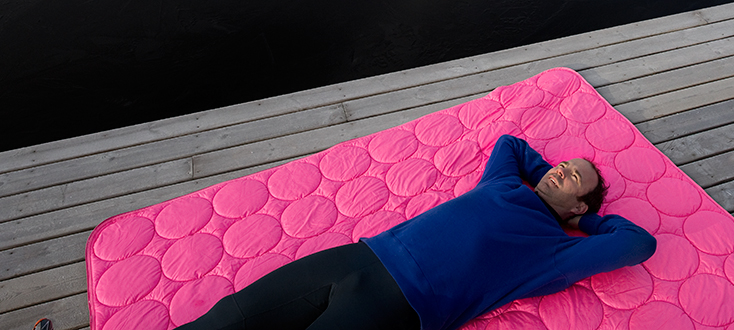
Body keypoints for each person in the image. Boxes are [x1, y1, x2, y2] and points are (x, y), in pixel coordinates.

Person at [39, 134, 655, 330]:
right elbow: (510, 142)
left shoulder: (554, 248)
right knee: (228, 319)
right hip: (356, 258)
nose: (566, 170)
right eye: (567, 164)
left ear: (580, 206)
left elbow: (637, 244)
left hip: (399, 305)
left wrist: (585, 222)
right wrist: (545, 179)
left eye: (579, 178)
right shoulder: (504, 184)